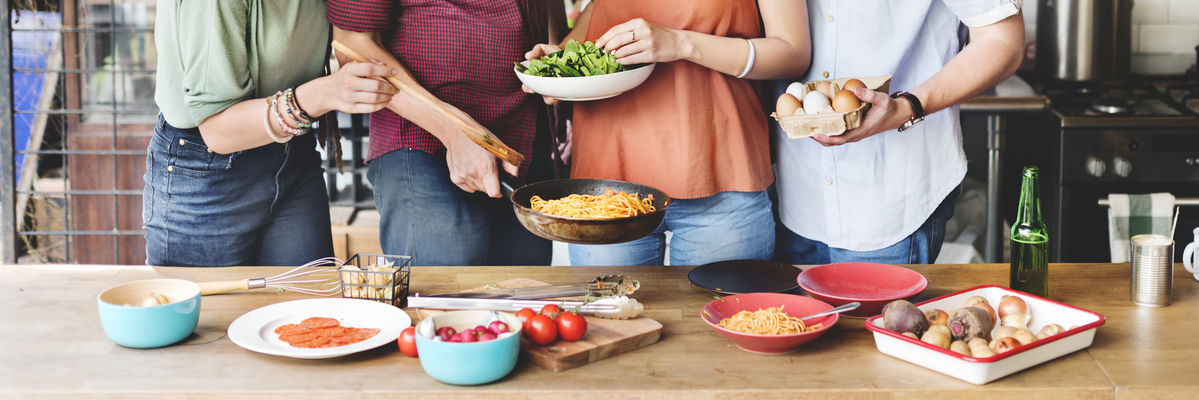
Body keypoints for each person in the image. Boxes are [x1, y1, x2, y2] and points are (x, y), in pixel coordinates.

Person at [525, 1, 811, 266]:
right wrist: (564, 58)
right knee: (610, 319)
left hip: (722, 174)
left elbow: (793, 52)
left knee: (722, 318)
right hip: (606, 187)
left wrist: (680, 43)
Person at [773, 1, 1025, 265]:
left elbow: (1002, 40)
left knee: (889, 309)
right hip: (793, 195)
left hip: (893, 199)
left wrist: (909, 106)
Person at [145, 1, 396, 266]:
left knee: (308, 305)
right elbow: (217, 130)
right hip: (208, 173)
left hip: (294, 155)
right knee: (212, 309)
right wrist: (324, 94)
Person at [326, 0, 566, 265]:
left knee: (526, 297)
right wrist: (453, 131)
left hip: (527, 139)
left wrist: (566, 94)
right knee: (441, 300)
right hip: (426, 147)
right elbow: (352, 45)